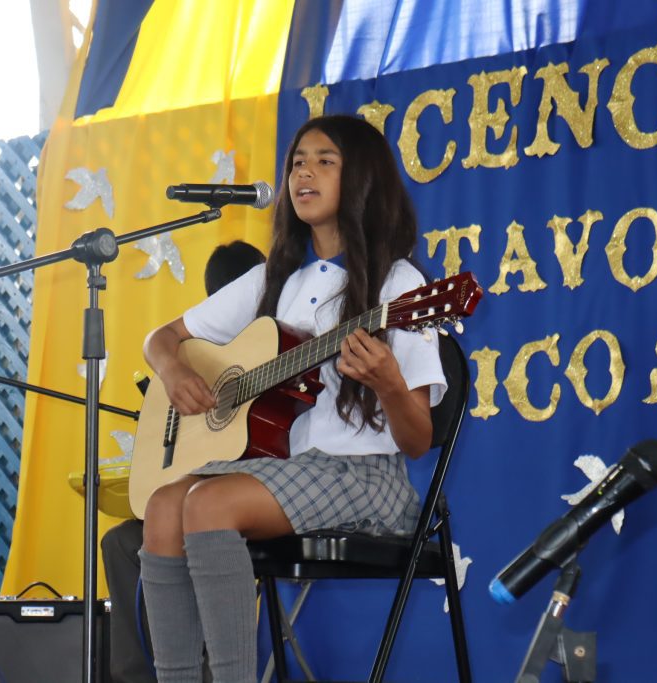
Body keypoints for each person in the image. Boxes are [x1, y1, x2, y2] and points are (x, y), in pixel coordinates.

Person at [137, 114, 447, 683]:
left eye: (325, 161)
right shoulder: (275, 280)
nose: (305, 173)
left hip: (364, 477)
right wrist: (174, 368)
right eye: (298, 162)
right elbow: (161, 338)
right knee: (161, 506)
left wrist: (389, 384)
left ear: (363, 179)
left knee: (207, 505)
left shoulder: (401, 286)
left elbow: (418, 440)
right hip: (281, 469)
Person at [102, 240, 266, 683]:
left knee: (199, 527)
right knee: (120, 542)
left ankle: (214, 671)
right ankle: (144, 676)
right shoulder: (199, 351)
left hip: (247, 503)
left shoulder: (274, 341)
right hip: (199, 495)